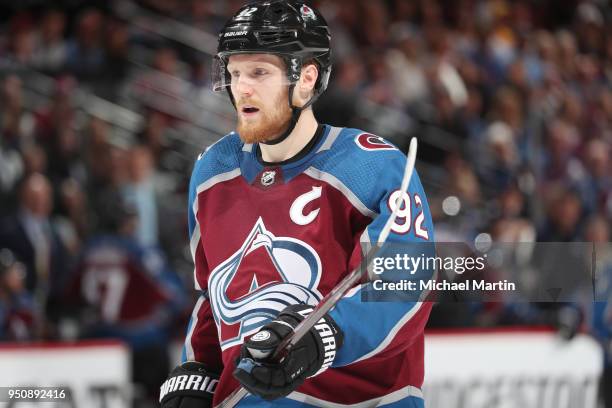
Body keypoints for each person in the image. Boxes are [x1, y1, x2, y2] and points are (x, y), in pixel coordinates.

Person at [160, 1, 434, 407]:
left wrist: (325, 336)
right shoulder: (212, 172)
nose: (242, 88)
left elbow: (408, 285)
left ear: (306, 79)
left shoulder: (373, 166)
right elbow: (213, 294)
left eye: (259, 72)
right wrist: (199, 367)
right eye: (234, 72)